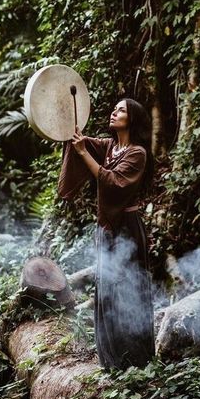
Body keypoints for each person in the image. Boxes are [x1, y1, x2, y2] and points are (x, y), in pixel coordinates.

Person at [58, 98, 155, 370]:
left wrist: (83, 153)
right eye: (115, 108)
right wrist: (69, 129)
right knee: (108, 290)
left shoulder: (137, 153)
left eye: (121, 110)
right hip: (107, 229)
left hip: (127, 230)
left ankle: (137, 360)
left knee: (128, 289)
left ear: (132, 119)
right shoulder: (111, 146)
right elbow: (84, 142)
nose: (114, 112)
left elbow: (112, 182)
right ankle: (113, 361)